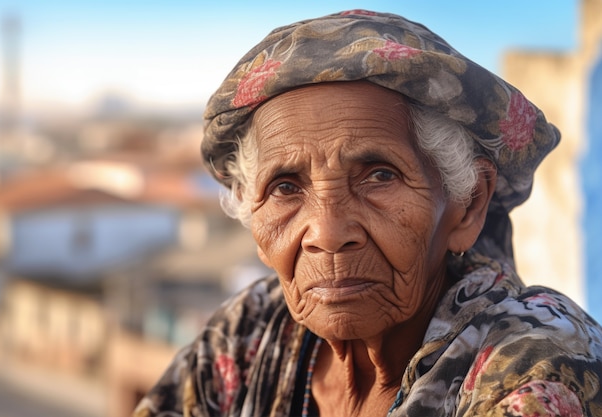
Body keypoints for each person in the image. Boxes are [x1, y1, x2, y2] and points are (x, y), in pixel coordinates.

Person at [134, 10, 602, 417]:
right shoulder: (246, 334)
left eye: (379, 176)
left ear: (468, 204)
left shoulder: (539, 369)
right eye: (285, 187)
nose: (328, 232)